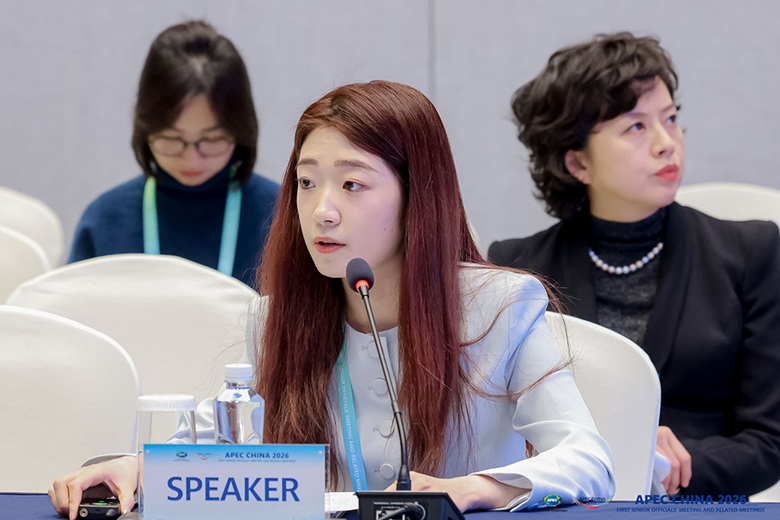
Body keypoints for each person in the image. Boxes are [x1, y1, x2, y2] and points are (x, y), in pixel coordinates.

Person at [49, 80, 614, 519]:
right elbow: (212, 442)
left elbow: (588, 461)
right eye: (307, 182)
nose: (321, 211)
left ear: (418, 196)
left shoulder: (501, 308)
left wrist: (473, 489)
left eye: (352, 184)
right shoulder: (277, 318)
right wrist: (137, 468)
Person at [489, 32, 780, 497]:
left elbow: (769, 442)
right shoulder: (518, 269)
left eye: (671, 118)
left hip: (698, 505)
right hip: (570, 505)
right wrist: (623, 450)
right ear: (577, 163)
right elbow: (500, 430)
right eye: (636, 127)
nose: (667, 143)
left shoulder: (752, 252)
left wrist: (661, 466)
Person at [68, 20, 279, 287]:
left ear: (241, 131)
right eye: (171, 139)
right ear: (145, 128)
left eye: (212, 139)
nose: (191, 159)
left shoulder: (281, 216)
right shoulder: (105, 220)